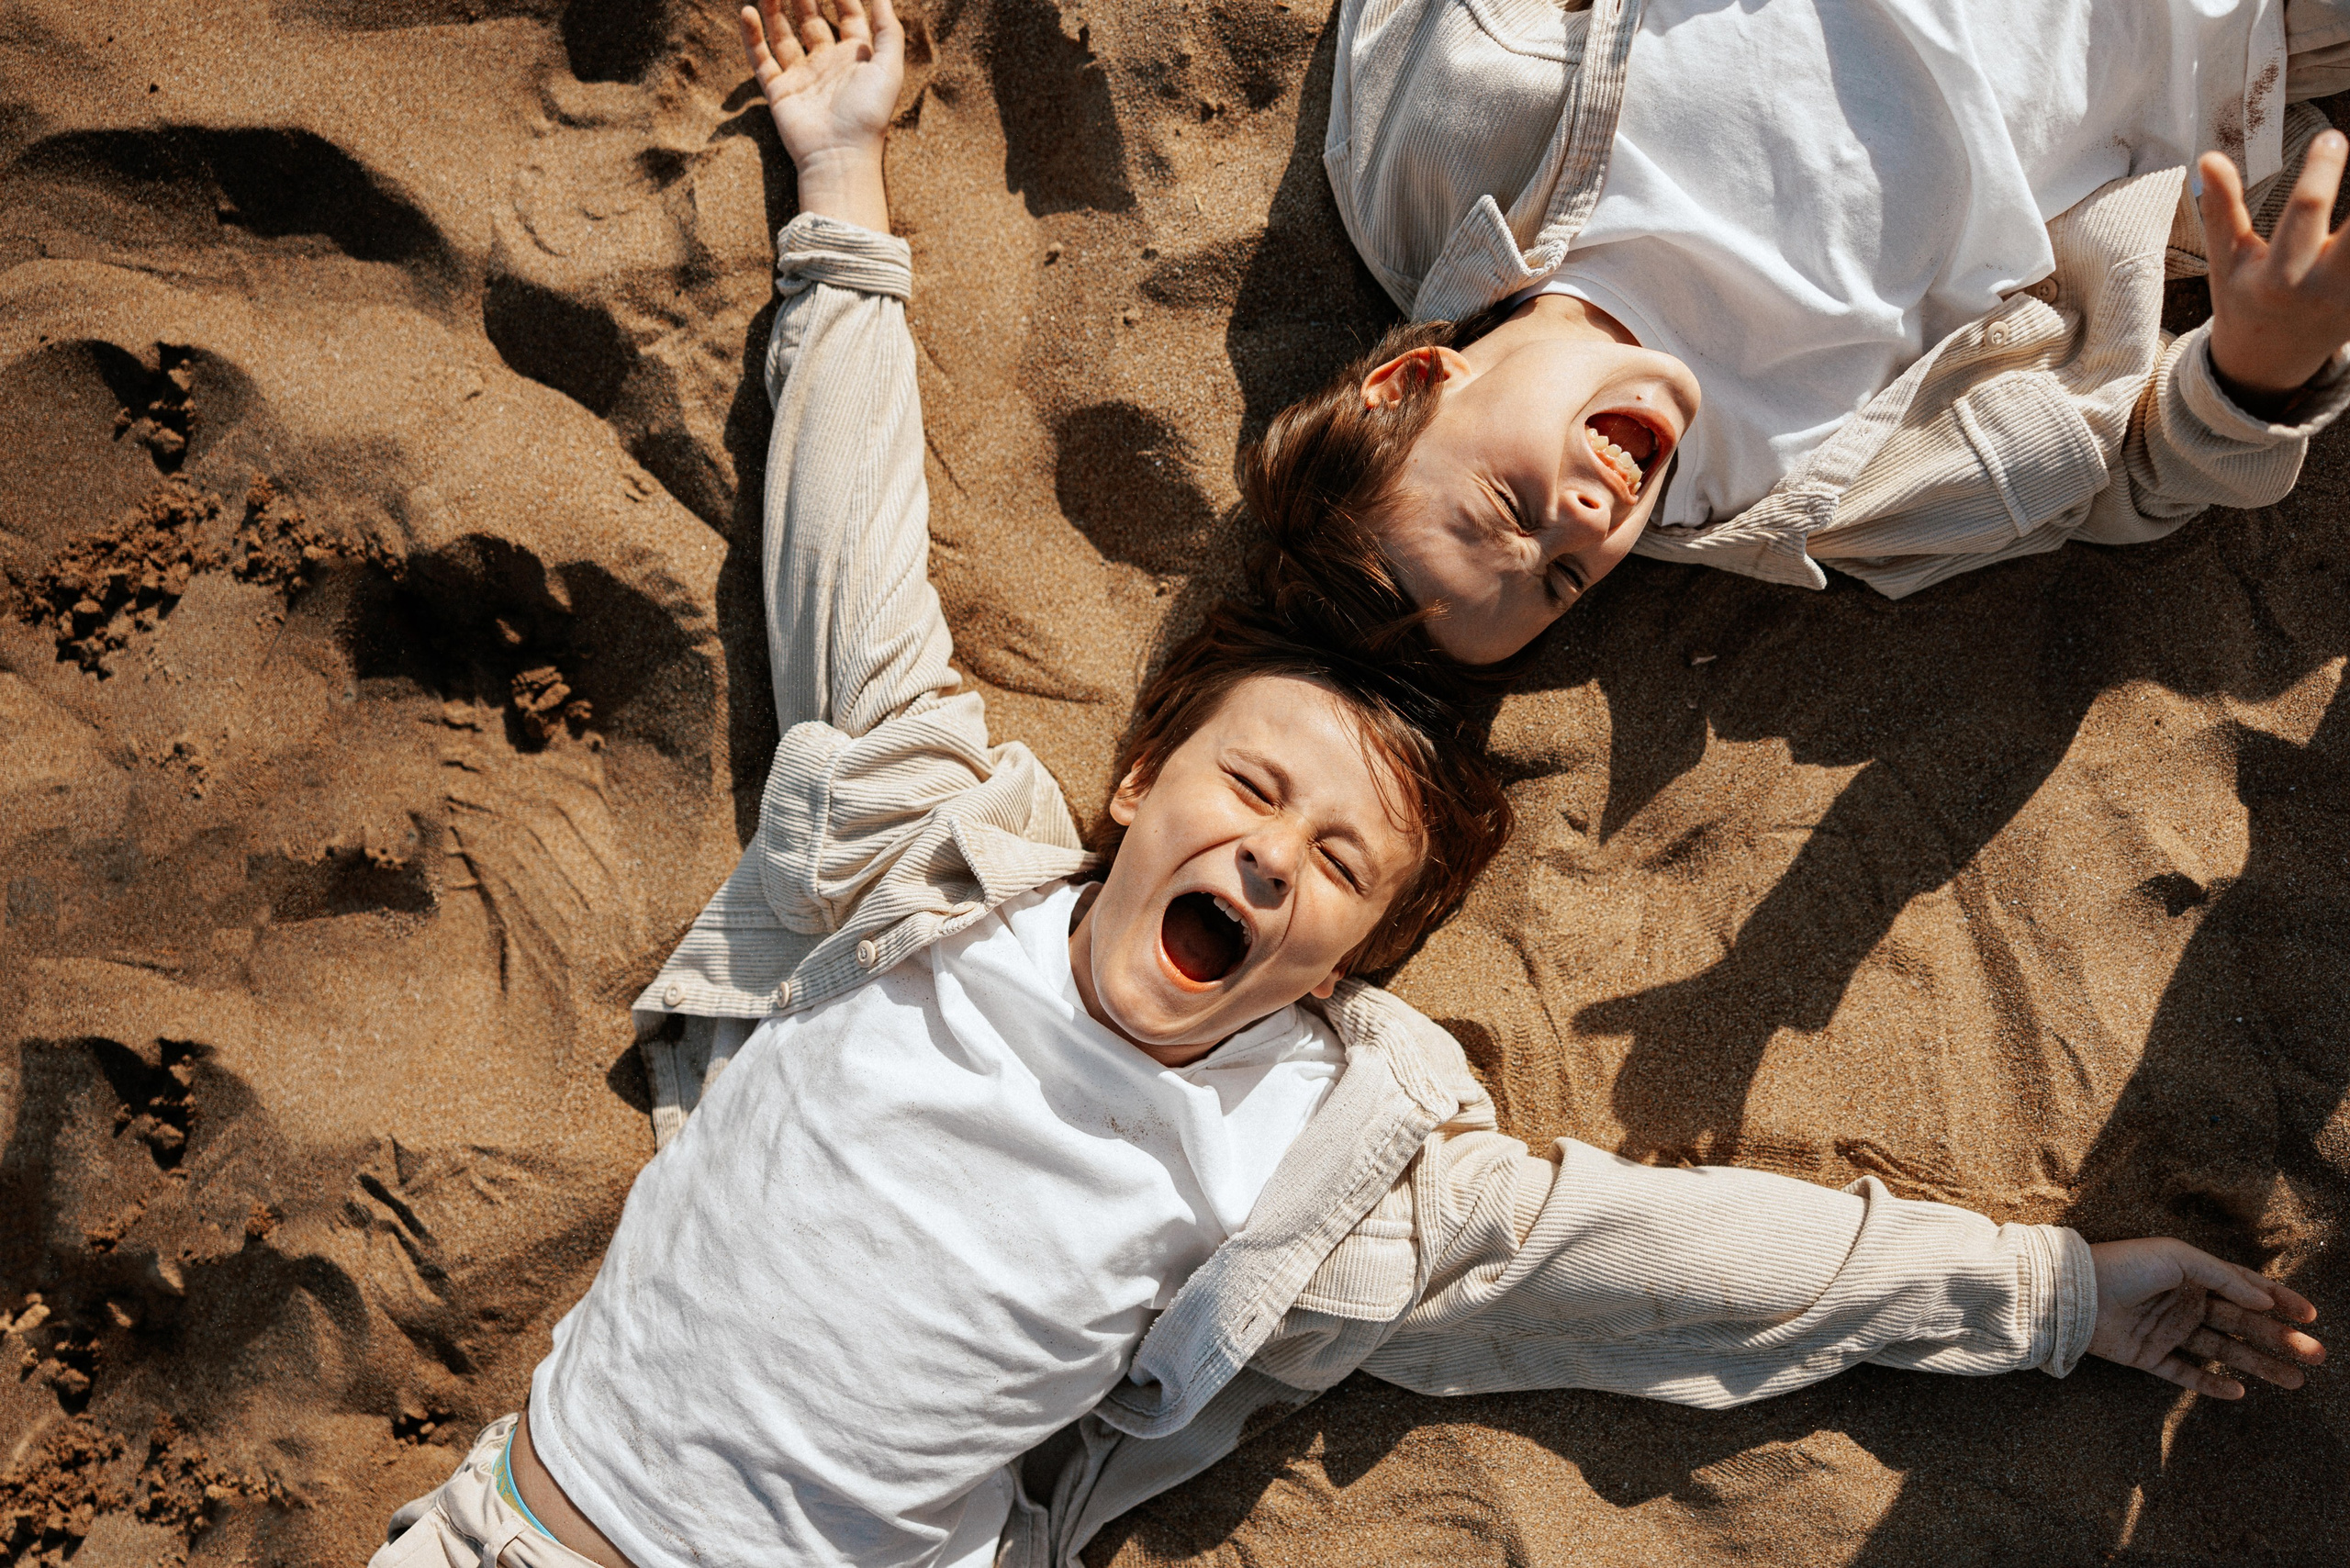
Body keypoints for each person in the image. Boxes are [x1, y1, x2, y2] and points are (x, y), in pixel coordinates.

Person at [371, 6, 2325, 1566]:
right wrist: (834, 185)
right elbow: (845, 564)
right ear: (1133, 783)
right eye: (1257, 789)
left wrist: (2049, 1296)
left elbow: (1638, 1264)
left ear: (1337, 972)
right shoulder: (922, 868)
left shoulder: (1300, 1156)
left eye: (1334, 872)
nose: (1273, 856)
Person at [1250, 0, 2350, 666]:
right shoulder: (1813, 493)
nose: (1584, 523)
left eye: (1507, 508)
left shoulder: (1434, 155)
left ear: (1409, 382)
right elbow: (2128, 482)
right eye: (1564, 581)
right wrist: (2257, 369)